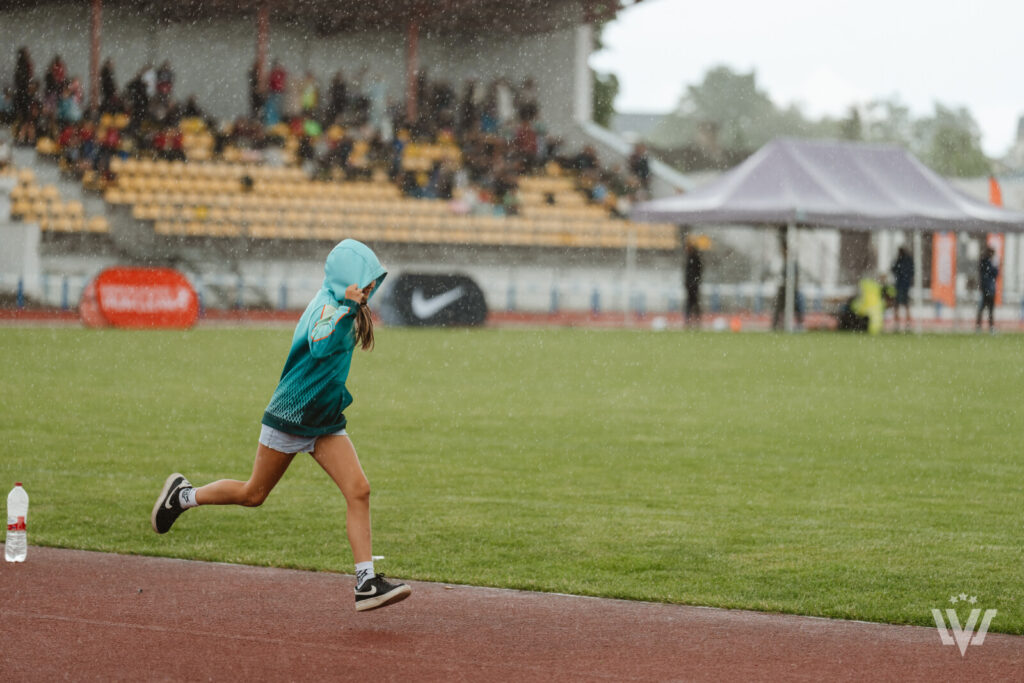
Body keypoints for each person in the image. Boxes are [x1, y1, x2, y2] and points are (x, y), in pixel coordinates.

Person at [151, 239, 411, 612]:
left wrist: (353, 306)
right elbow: (321, 345)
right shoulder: (328, 305)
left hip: (322, 420)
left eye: (372, 283)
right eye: (365, 282)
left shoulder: (346, 306)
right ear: (347, 279)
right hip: (291, 416)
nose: (370, 289)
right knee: (252, 494)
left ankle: (365, 582)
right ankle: (182, 496)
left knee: (359, 490)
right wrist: (348, 306)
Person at [890, 245, 914, 332]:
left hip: (900, 285)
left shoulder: (899, 260)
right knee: (905, 305)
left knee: (898, 305)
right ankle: (907, 324)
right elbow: (911, 271)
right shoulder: (908, 260)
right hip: (905, 285)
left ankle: (898, 324)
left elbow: (893, 269)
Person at [976, 245, 999, 332]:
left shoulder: (985, 262)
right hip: (987, 289)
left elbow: (995, 274)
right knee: (986, 309)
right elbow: (994, 273)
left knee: (986, 309)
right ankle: (987, 327)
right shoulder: (986, 262)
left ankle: (984, 327)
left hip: (987, 289)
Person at [684, 237, 703, 326]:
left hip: (693, 284)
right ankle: (692, 320)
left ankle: (694, 320)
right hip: (691, 284)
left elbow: (697, 271)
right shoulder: (691, 258)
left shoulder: (694, 258)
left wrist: (693, 282)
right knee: (692, 302)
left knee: (693, 302)